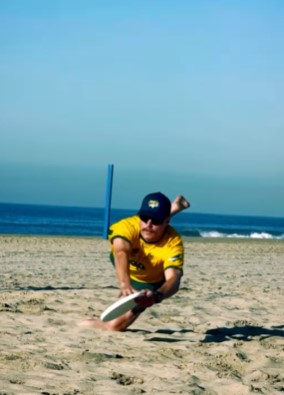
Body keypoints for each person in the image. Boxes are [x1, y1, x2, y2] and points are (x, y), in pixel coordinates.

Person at [81, 193, 190, 331]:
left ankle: (172, 210)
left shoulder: (173, 242)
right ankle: (173, 208)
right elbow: (121, 251)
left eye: (156, 220)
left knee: (115, 327)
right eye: (144, 218)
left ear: (167, 221)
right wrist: (125, 283)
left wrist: (156, 296)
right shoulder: (126, 225)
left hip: (150, 281)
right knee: (147, 229)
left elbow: (174, 278)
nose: (148, 224)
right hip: (128, 263)